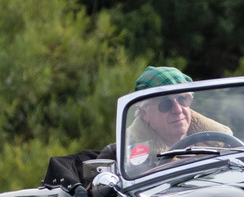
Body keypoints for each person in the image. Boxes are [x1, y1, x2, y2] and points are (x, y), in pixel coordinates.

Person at [98, 66, 231, 163]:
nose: (178, 110)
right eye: (165, 104)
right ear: (144, 113)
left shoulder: (224, 142)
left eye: (182, 99)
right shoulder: (121, 154)